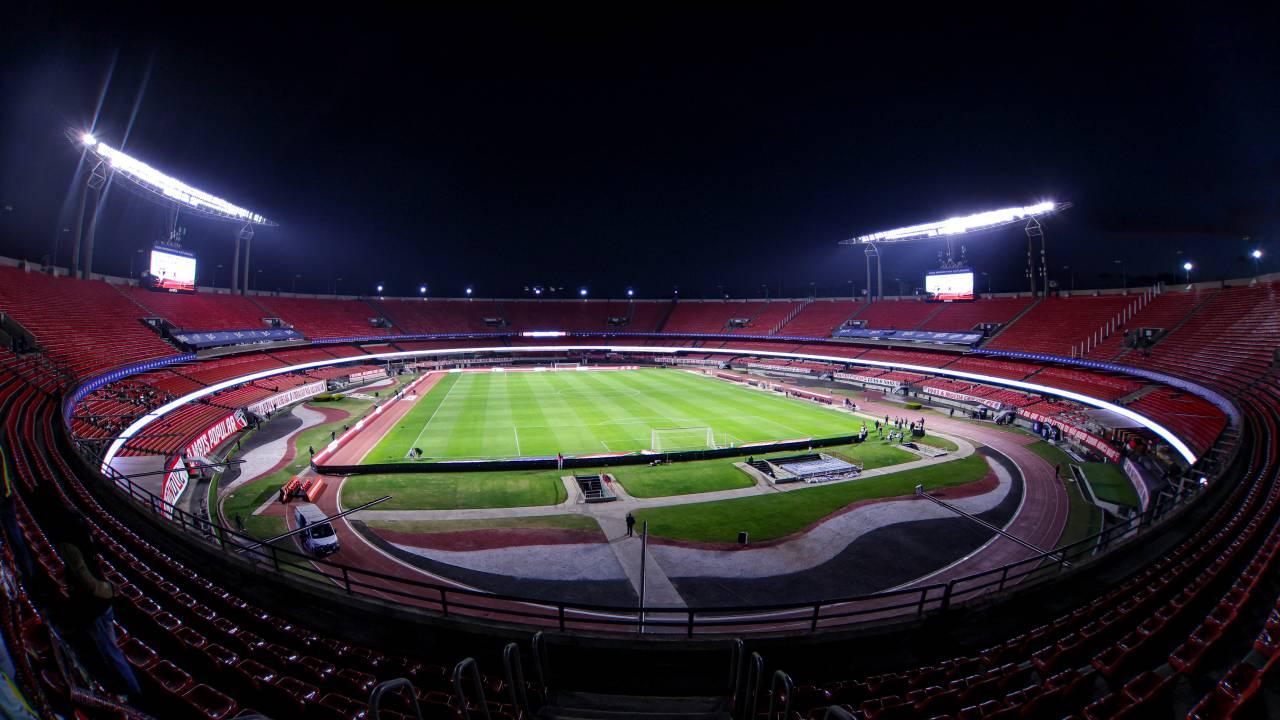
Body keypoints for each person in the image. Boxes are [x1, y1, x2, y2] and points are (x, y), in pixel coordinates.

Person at [52, 511, 140, 700]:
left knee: (109, 649)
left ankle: (133, 692)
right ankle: (127, 687)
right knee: (108, 647)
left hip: (95, 606)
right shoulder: (82, 532)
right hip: (99, 603)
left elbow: (89, 582)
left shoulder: (70, 543)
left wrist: (108, 590)